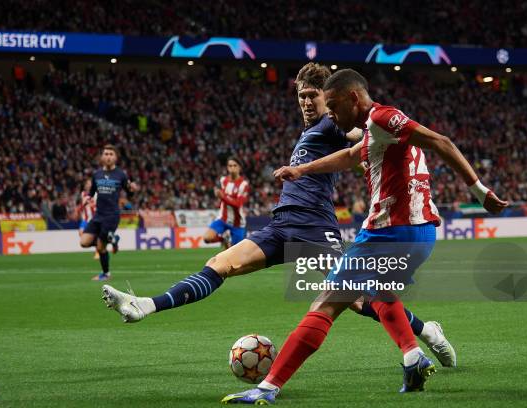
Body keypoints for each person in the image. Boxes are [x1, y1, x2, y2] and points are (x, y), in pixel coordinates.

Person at [100, 64, 455, 367]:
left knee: (359, 298)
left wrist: (378, 134)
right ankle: (145, 305)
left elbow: (362, 133)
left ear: (327, 98)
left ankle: (426, 331)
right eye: (301, 95)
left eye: (312, 96)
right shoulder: (308, 132)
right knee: (220, 264)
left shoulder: (333, 124)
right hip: (281, 224)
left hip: (315, 228)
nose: (305, 102)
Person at [222, 68, 508, 404]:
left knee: (326, 303)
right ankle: (413, 357)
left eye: (333, 106)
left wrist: (479, 191)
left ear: (353, 98)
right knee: (380, 292)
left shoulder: (383, 119)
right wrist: (301, 169)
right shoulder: (387, 132)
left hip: (388, 233)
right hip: (422, 234)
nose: (331, 114)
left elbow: (441, 141)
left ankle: (267, 388)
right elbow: (349, 157)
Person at [80, 145, 138, 281]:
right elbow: (92, 192)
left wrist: (132, 189)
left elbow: (130, 194)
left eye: (111, 154)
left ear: (115, 157)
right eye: (106, 153)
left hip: (112, 215)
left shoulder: (121, 175)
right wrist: (87, 198)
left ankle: (105, 274)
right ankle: (112, 239)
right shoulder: (97, 174)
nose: (108, 156)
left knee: (101, 247)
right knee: (84, 242)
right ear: (102, 157)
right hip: (98, 215)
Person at [203, 157, 249, 249]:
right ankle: (224, 239)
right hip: (223, 218)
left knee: (234, 255)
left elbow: (238, 204)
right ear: (227, 168)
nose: (232, 168)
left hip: (237, 222)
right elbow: (223, 198)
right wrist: (219, 198)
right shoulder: (223, 180)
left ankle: (230, 244)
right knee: (207, 238)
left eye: (235, 165)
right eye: (230, 166)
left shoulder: (243, 184)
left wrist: (222, 197)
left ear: (239, 167)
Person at [78, 179, 99, 259]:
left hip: (93, 218)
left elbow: (96, 205)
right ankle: (96, 243)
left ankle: (97, 252)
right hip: (85, 218)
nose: (89, 185)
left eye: (90, 183)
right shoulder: (83, 194)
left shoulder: (96, 194)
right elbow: (82, 205)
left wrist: (92, 204)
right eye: (87, 183)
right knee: (81, 233)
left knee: (95, 234)